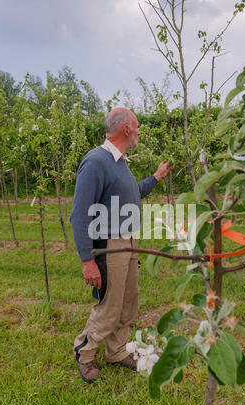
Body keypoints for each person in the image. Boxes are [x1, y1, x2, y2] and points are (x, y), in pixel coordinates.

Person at [70, 107, 173, 383]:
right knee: (110, 304)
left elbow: (134, 194)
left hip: (128, 241)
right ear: (126, 129)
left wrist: (156, 177)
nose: (139, 132)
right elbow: (79, 215)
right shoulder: (95, 162)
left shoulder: (119, 163)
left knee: (128, 301)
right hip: (110, 243)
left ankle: (116, 351)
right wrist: (87, 260)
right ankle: (85, 352)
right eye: (137, 127)